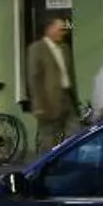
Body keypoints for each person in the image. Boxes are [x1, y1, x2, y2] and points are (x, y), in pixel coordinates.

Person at [27, 16, 75, 152]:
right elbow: (34, 78)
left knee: (75, 134)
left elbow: (70, 75)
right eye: (60, 29)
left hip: (67, 98)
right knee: (49, 141)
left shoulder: (65, 48)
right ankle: (46, 164)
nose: (63, 33)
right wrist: (38, 105)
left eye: (64, 30)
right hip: (48, 102)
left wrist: (74, 98)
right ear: (50, 29)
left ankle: (69, 162)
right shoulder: (37, 49)